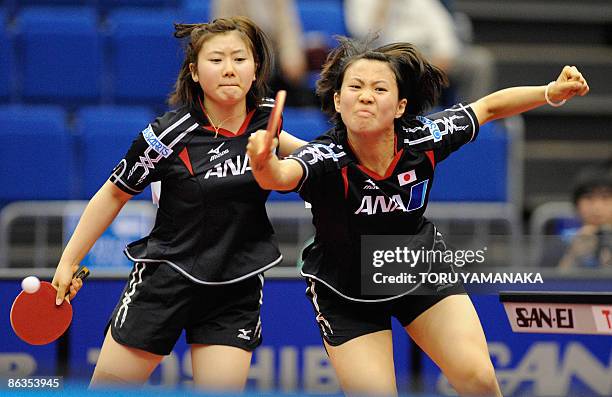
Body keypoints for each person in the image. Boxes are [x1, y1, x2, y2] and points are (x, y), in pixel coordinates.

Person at [246, 36, 589, 396]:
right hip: (345, 293)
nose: (366, 95)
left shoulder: (424, 137)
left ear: (399, 106)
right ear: (337, 100)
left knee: (480, 381)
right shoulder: (324, 156)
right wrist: (262, 162)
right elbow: (281, 177)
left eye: (380, 88)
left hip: (417, 267)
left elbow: (487, 108)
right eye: (356, 86)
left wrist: (550, 91)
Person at [51, 16, 305, 390]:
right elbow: (114, 192)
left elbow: (312, 159)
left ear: (256, 69)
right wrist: (69, 260)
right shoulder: (166, 134)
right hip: (165, 279)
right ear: (195, 73)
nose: (229, 69)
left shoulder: (268, 120)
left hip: (234, 283)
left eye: (239, 59)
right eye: (216, 60)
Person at [344, 0, 495, 104]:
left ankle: (471, 119)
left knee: (478, 61)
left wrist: (444, 54)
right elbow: (364, 34)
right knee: (405, 64)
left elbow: (441, 27)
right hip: (390, 53)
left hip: (430, 54)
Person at [212, 0, 315, 107]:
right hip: (243, 52)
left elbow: (288, 29)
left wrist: (291, 58)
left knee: (297, 80)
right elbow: (225, 34)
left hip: (274, 57)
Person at [558, 165, 612, 269]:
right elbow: (542, 282)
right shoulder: (559, 243)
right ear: (576, 205)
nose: (597, 207)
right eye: (588, 198)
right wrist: (573, 255)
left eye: (605, 198)